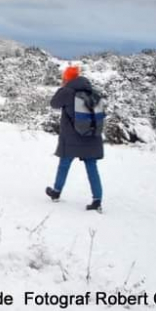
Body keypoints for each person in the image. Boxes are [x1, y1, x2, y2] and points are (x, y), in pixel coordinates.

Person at [45, 66, 104, 211]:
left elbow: (53, 104)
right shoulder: (93, 92)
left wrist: (62, 87)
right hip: (92, 137)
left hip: (71, 138)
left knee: (64, 164)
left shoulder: (67, 91)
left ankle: (56, 192)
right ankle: (97, 200)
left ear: (67, 78)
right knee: (92, 167)